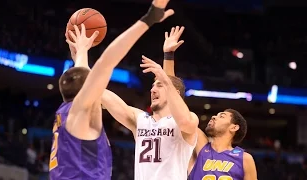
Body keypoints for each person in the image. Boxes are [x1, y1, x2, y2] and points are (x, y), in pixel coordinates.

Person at [49, 1, 174, 179]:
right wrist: (148, 19)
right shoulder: (80, 111)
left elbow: (86, 79)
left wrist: (80, 53)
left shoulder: (66, 113)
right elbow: (105, 63)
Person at [101, 26, 198, 180]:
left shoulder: (186, 121)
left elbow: (184, 119)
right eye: (152, 86)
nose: (152, 90)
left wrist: (165, 76)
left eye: (159, 85)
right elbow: (100, 92)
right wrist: (81, 61)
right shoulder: (140, 120)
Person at [161, 37, 257, 180]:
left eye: (222, 116)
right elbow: (173, 100)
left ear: (234, 127)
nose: (214, 117)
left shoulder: (245, 159)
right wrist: (168, 55)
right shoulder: (201, 148)